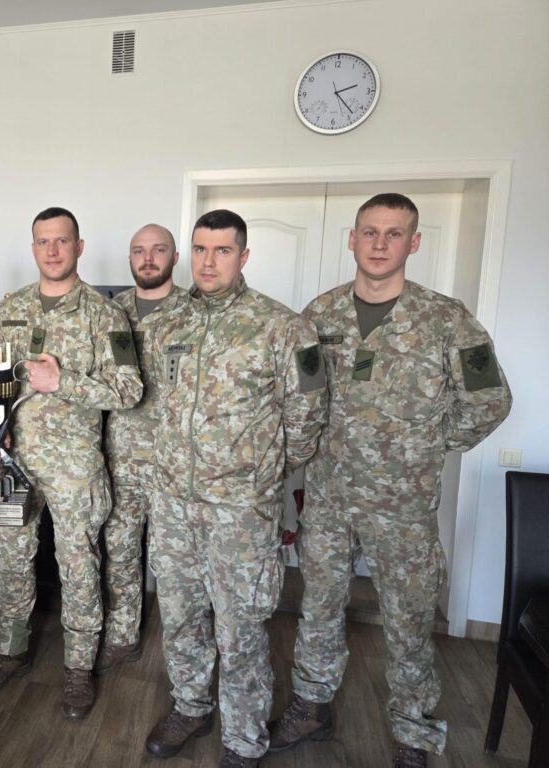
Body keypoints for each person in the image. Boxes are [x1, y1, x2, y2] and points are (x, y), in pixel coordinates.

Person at [269, 193, 513, 768]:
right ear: (352, 240)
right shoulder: (319, 315)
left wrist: (425, 446)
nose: (380, 244)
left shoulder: (447, 320)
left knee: (408, 621)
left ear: (414, 242)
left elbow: (490, 401)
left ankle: (412, 729)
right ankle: (312, 706)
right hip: (328, 497)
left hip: (402, 507)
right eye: (370, 232)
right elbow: (301, 395)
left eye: (394, 233)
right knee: (319, 608)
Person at [145, 210, 328, 767]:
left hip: (241, 513)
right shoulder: (167, 323)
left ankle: (244, 738)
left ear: (243, 256)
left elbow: (308, 417)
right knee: (180, 616)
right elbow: (159, 403)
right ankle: (191, 705)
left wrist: (260, 475)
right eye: (200, 249)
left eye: (222, 250)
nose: (209, 261)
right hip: (173, 503)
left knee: (241, 629)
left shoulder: (284, 327)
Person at [0, 207, 143, 720]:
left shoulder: (106, 315)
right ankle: (10, 651)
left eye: (62, 241)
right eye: (43, 241)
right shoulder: (9, 308)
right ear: (33, 249)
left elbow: (130, 390)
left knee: (79, 565)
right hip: (12, 460)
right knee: (10, 560)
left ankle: (78, 667)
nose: (52, 250)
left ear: (79, 246)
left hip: (74, 465)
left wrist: (62, 381)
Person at [98, 224, 186, 674]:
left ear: (175, 256)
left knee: (175, 563)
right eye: (139, 251)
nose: (148, 258)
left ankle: (183, 649)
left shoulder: (195, 311)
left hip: (177, 462)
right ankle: (122, 635)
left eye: (158, 250)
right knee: (120, 551)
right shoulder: (112, 312)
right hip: (123, 456)